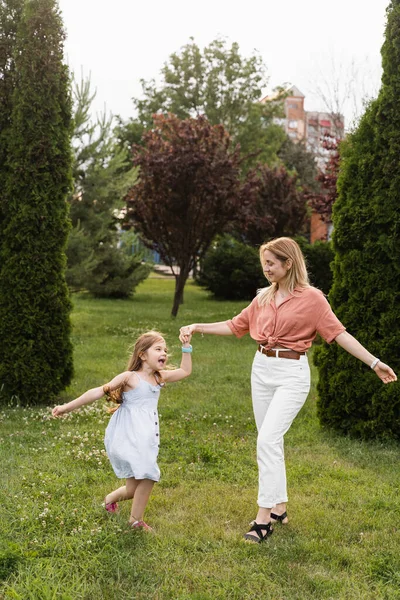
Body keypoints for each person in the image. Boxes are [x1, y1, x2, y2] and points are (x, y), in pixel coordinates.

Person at [179, 237, 397, 544]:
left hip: (291, 374)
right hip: (261, 370)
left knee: (267, 440)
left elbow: (339, 333)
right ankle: (280, 507)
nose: (266, 269)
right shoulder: (264, 297)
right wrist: (197, 326)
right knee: (271, 442)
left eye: (271, 263)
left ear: (288, 263)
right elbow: (235, 325)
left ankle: (263, 518)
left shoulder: (313, 299)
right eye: (264, 263)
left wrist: (374, 362)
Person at [52, 331, 193, 531]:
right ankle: (135, 521)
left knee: (133, 488)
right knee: (150, 474)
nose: (164, 353)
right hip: (128, 436)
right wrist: (67, 407)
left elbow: (185, 371)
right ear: (143, 355)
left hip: (146, 436)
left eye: (166, 350)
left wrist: (186, 347)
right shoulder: (130, 377)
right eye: (158, 349)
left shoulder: (159, 377)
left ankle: (110, 499)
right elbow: (98, 391)